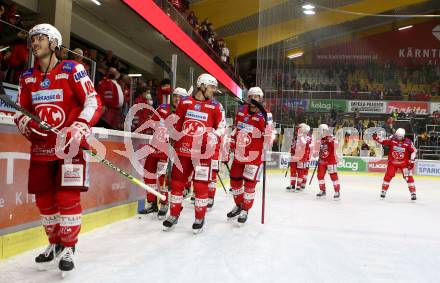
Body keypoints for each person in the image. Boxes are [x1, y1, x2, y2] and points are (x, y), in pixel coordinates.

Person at [14, 24, 102, 274]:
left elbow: (92, 101)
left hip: (68, 148)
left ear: (54, 43)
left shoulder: (73, 69)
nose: (34, 43)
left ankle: (69, 248)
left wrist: (80, 126)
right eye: (32, 39)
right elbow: (20, 110)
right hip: (42, 148)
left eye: (40, 38)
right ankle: (54, 243)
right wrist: (27, 123)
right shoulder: (27, 77)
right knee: (44, 200)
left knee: (67, 198)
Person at [163, 74, 225, 233]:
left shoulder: (216, 106)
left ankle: (199, 217)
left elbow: (222, 126)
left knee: (200, 185)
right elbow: (177, 123)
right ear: (202, 86)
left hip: (204, 154)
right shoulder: (185, 103)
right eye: (211, 87)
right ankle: (174, 214)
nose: (213, 91)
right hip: (183, 151)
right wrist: (171, 135)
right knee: (177, 183)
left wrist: (215, 135)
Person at [137, 87, 188, 219]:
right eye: (175, 96)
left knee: (163, 178)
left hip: (167, 151)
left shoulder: (185, 113)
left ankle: (164, 203)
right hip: (154, 146)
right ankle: (152, 202)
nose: (177, 99)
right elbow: (152, 121)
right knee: (148, 175)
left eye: (180, 97)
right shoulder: (162, 107)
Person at [227, 87, 274, 225]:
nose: (254, 100)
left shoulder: (267, 114)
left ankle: (245, 210)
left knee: (249, 185)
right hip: (239, 155)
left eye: (257, 97)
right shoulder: (241, 111)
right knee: (235, 181)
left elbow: (271, 135)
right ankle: (239, 205)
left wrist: (268, 137)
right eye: (251, 97)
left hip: (254, 157)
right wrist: (230, 142)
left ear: (261, 99)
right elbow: (236, 128)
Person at [373, 128, 417, 200]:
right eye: (397, 136)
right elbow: (383, 141)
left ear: (403, 136)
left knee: (408, 177)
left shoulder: (408, 142)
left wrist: (412, 161)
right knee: (388, 176)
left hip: (404, 164)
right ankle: (383, 191)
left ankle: (413, 193)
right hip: (393, 163)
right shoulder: (392, 139)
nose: (398, 138)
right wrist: (376, 138)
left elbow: (413, 151)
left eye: (400, 136)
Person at [315, 124, 341, 199]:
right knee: (320, 176)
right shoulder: (319, 138)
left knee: (333, 176)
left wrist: (330, 140)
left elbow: (337, 145)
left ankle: (337, 191)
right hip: (322, 161)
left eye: (321, 131)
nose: (320, 132)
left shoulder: (332, 137)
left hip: (331, 161)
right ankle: (322, 190)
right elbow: (317, 148)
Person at [286, 123, 312, 192]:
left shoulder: (307, 137)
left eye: (299, 128)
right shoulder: (296, 136)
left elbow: (305, 145)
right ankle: (292, 185)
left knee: (302, 171)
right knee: (293, 171)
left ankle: (300, 185)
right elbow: (293, 145)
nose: (297, 129)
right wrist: (291, 152)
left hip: (303, 157)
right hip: (295, 156)